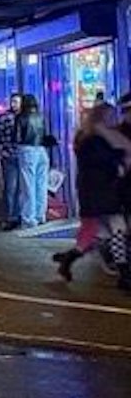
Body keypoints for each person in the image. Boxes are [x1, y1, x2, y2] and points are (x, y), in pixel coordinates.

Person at [52, 102, 131, 280]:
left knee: (93, 232)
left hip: (94, 190)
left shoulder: (86, 137)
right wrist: (118, 161)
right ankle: (124, 272)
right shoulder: (94, 139)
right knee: (116, 228)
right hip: (100, 189)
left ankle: (69, 259)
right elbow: (105, 159)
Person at [13, 93, 52, 228]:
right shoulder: (40, 117)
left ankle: (29, 218)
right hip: (41, 150)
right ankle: (40, 215)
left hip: (27, 150)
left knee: (28, 185)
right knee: (41, 184)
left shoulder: (21, 117)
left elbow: (17, 137)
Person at [0, 92, 22, 229]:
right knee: (10, 187)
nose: (14, 104)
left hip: (21, 156)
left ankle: (17, 215)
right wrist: (3, 150)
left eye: (17, 101)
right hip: (10, 156)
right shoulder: (4, 117)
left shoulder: (23, 117)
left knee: (19, 188)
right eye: (13, 101)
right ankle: (9, 216)